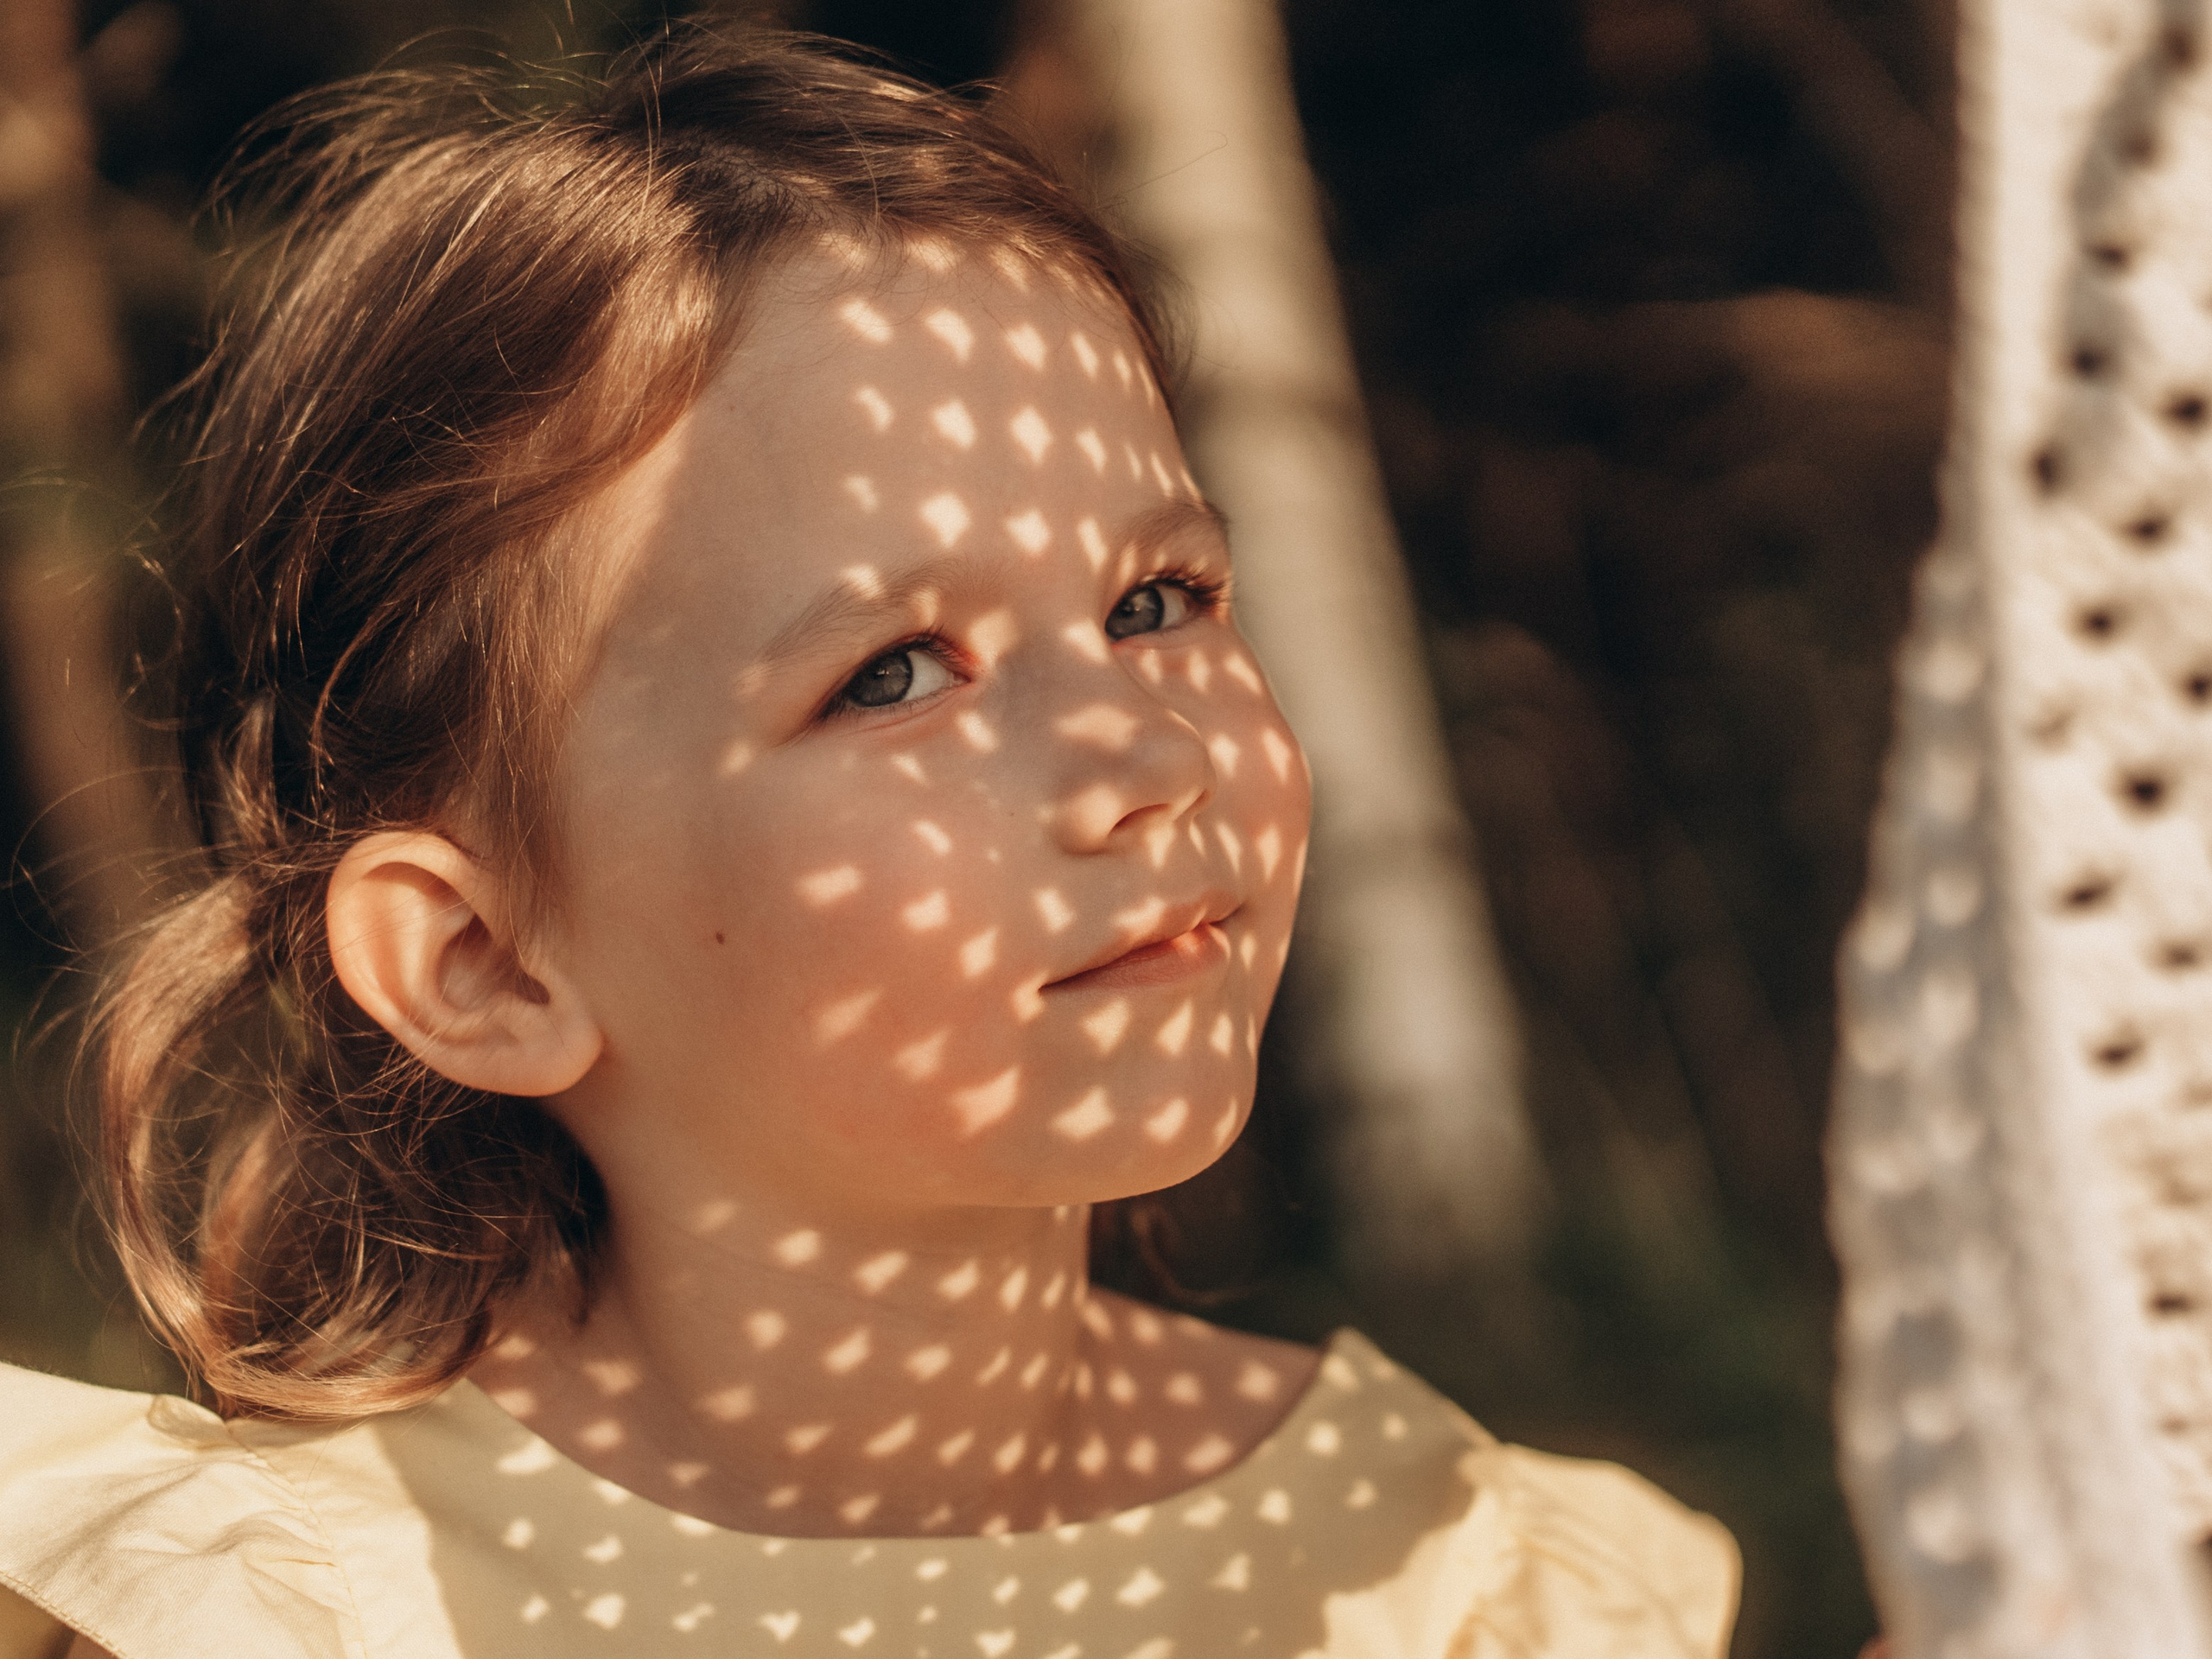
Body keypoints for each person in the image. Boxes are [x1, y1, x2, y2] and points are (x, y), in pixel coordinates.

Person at [0, 29, 1738, 1658]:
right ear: (481, 962)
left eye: (1157, 599)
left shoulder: (1483, 1591)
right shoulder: (271, 1614)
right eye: (894, 673)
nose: (1145, 748)